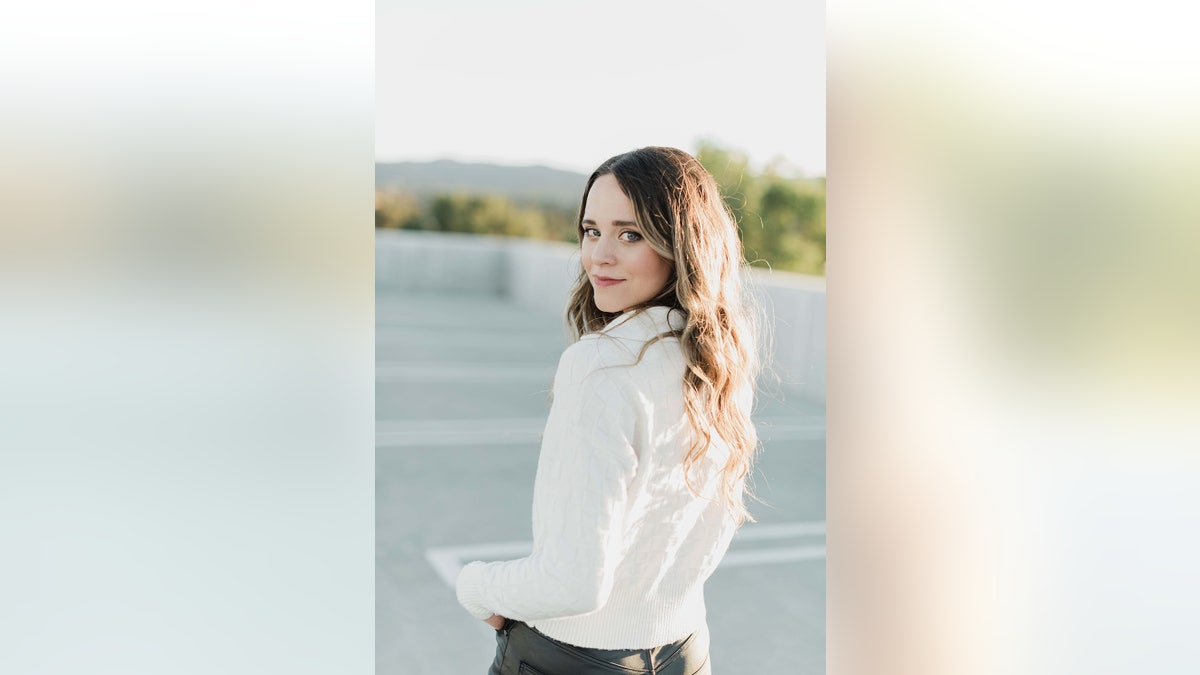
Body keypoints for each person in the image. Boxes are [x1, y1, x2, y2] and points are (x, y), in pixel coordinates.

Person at [455, 146, 761, 675]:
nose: (599, 255)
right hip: (686, 650)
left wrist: (476, 586)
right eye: (591, 231)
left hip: (572, 659)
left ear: (682, 245)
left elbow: (574, 581)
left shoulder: (599, 366)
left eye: (630, 234)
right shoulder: (717, 360)